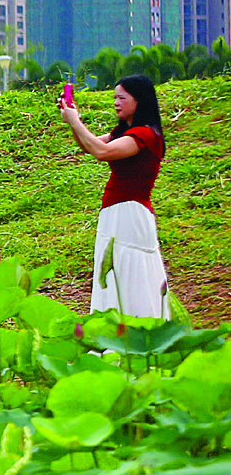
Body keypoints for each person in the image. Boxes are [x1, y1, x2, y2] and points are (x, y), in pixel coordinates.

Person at [59, 74, 170, 318]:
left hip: (130, 212)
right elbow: (89, 146)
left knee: (129, 271)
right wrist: (71, 121)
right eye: (114, 98)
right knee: (112, 270)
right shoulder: (125, 131)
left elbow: (101, 152)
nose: (116, 103)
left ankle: (137, 328)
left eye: (122, 98)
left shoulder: (145, 135)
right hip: (115, 211)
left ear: (139, 101)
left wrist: (76, 121)